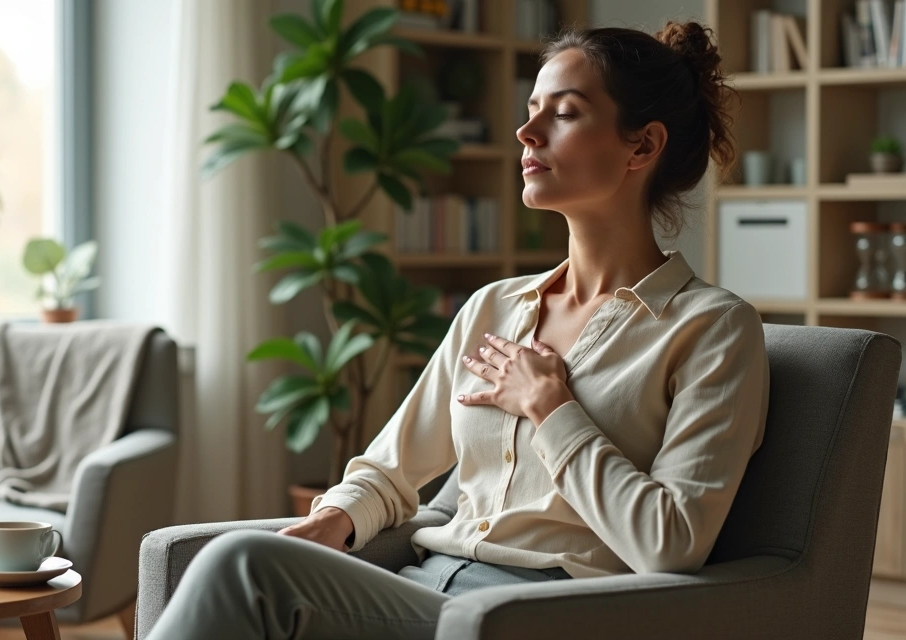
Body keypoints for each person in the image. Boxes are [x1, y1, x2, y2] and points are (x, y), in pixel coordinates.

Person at [146, 20, 768, 640]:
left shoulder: (711, 328)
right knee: (243, 565)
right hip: (422, 591)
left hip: (540, 615)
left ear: (641, 146)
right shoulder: (493, 308)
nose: (527, 132)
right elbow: (393, 467)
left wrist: (551, 408)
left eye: (566, 113)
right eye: (531, 110)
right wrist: (336, 514)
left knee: (243, 565)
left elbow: (671, 544)